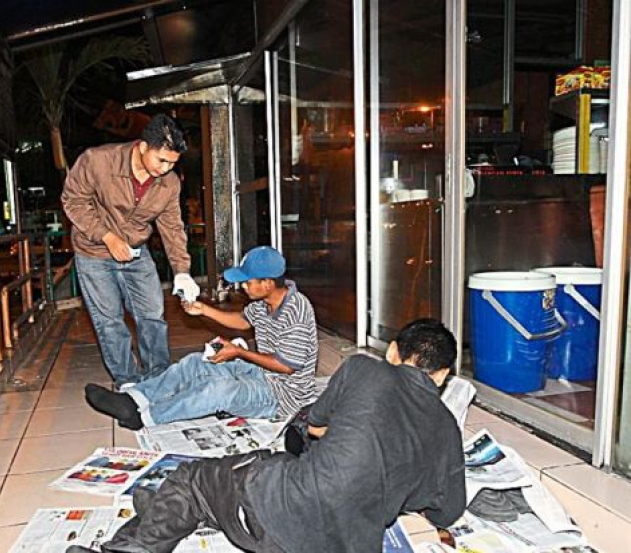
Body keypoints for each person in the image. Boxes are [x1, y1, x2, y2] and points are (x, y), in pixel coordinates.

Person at [100, 318, 467, 553]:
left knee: (193, 480)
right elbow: (447, 512)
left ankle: (141, 537)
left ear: (393, 352)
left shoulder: (363, 368)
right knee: (231, 487)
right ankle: (163, 510)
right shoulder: (448, 427)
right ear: (442, 375)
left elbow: (316, 427)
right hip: (345, 545)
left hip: (272, 513)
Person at [84, 246, 318, 430]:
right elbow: (244, 320)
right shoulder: (264, 301)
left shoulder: (296, 310)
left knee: (218, 390)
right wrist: (204, 310)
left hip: (282, 397)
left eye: (248, 282)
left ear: (267, 283)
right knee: (196, 362)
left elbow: (286, 366)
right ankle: (134, 398)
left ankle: (143, 417)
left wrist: (239, 352)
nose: (243, 287)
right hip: (263, 374)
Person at [61, 114, 200, 386]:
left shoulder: (170, 183)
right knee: (109, 320)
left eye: (173, 163)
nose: (166, 169)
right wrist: (107, 237)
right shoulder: (98, 161)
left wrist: (182, 271)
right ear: (143, 146)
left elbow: (172, 227)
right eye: (162, 160)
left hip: (136, 252)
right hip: (93, 252)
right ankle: (127, 380)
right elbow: (73, 201)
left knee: (152, 314)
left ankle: (158, 377)